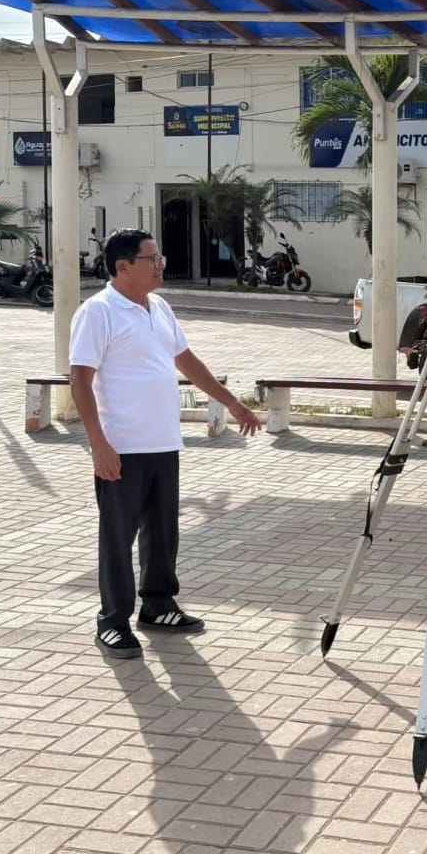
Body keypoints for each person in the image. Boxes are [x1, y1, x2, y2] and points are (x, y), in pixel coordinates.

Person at [69, 228, 262, 660]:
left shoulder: (159, 307)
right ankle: (113, 622)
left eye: (160, 257)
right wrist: (98, 444)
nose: (161, 265)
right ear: (123, 266)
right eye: (152, 259)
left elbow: (186, 361)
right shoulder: (98, 312)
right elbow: (79, 380)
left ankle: (158, 605)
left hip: (162, 442)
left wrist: (233, 403)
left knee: (162, 532)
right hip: (121, 446)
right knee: (118, 537)